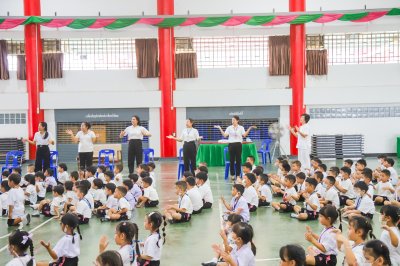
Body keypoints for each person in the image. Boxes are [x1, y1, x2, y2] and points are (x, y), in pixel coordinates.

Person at [214, 116, 256, 181]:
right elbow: (225, 135)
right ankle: (232, 175)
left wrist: (250, 128)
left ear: (237, 120)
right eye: (232, 120)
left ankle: (238, 175)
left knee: (238, 160)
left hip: (239, 144)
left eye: (234, 120)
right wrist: (220, 128)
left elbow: (244, 135)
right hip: (231, 144)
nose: (232, 121)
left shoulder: (241, 127)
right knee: (232, 160)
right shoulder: (229, 127)